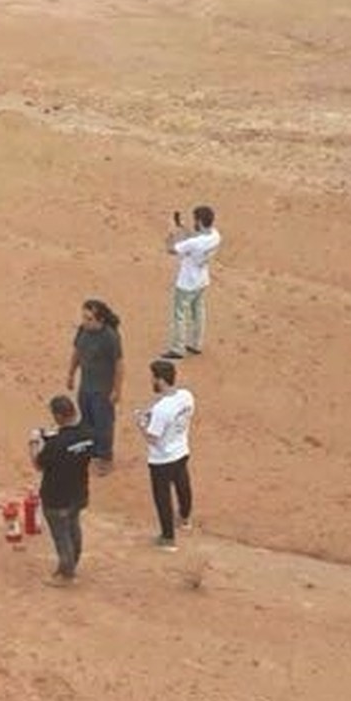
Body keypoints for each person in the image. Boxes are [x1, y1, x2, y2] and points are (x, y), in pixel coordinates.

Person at [29, 395, 94, 582]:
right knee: (73, 528)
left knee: (61, 536)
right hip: (79, 493)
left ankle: (66, 574)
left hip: (56, 498)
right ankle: (72, 563)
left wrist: (34, 443)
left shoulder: (56, 445)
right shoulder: (87, 433)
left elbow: (38, 464)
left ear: (58, 416)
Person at [134, 359, 196, 550]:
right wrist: (150, 412)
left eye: (153, 377)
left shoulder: (162, 410)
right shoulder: (186, 395)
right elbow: (166, 405)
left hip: (161, 459)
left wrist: (141, 424)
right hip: (181, 450)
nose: (151, 381)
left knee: (162, 497)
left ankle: (168, 538)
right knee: (183, 484)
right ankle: (185, 519)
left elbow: (152, 438)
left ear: (160, 380)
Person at [68, 299, 123, 472]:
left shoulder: (110, 337)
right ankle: (91, 452)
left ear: (100, 320)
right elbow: (77, 352)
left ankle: (105, 458)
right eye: (84, 317)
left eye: (89, 318)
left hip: (102, 390)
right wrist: (70, 373)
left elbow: (119, 365)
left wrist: (116, 390)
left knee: (103, 424)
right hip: (86, 386)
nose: (84, 322)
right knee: (87, 421)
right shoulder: (82, 330)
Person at [162, 204, 221, 360]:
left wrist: (171, 233)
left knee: (180, 315)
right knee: (198, 312)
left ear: (200, 221)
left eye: (195, 219)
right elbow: (196, 238)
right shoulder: (216, 235)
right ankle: (196, 344)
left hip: (186, 283)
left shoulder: (193, 244)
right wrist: (183, 228)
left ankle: (178, 348)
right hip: (202, 281)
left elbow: (170, 249)